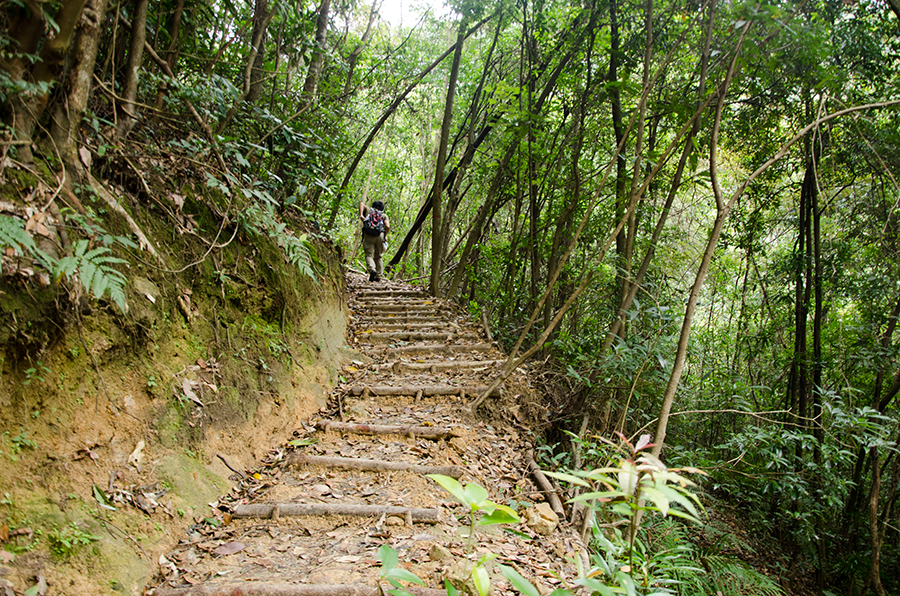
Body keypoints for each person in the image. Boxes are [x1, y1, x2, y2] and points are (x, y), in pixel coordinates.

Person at [359, 200, 390, 282]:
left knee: (369, 255)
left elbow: (361, 204)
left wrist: (361, 215)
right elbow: (387, 226)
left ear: (373, 206)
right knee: (378, 256)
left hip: (368, 234)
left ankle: (372, 270)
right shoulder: (383, 215)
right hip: (379, 235)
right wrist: (385, 235)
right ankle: (378, 276)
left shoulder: (369, 210)